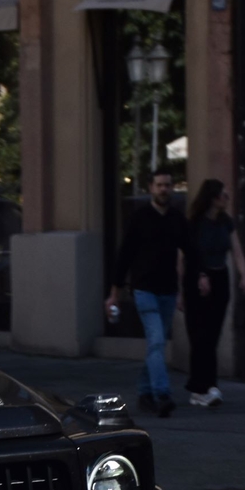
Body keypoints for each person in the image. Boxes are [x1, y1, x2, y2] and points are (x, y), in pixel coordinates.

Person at [107, 167, 188, 416]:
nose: (164, 189)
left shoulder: (176, 219)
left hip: (168, 291)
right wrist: (114, 293)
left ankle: (143, 392)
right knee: (156, 341)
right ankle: (162, 394)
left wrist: (183, 291)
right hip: (144, 290)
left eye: (168, 185)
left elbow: (187, 253)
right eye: (159, 185)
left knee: (157, 344)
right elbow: (125, 256)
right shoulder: (139, 218)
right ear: (151, 188)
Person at [182, 177, 245, 406]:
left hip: (220, 278)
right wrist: (199, 276)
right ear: (213, 198)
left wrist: (244, 276)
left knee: (212, 336)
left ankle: (205, 387)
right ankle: (202, 388)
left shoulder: (225, 222)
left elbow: (237, 251)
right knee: (199, 336)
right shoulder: (195, 223)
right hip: (196, 280)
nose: (227, 198)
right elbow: (186, 256)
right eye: (224, 195)